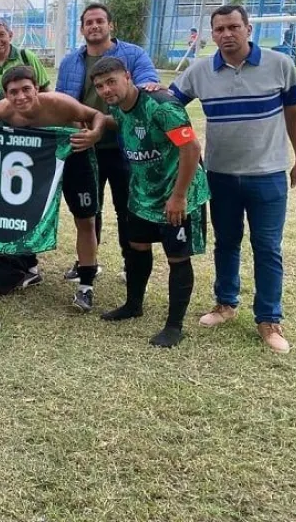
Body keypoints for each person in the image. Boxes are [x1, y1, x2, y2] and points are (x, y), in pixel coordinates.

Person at [171, 4, 296, 354]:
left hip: (269, 175)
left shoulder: (279, 65)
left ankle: (269, 320)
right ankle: (226, 304)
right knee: (226, 243)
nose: (227, 34)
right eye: (220, 29)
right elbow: (169, 105)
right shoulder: (201, 71)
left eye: (233, 27)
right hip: (222, 175)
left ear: (248, 29)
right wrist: (187, 144)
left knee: (267, 248)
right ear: (212, 34)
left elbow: (294, 113)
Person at [90, 57, 210, 348]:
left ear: (128, 77)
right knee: (137, 247)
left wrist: (179, 196)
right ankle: (133, 304)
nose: (106, 90)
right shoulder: (118, 107)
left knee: (177, 257)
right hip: (143, 194)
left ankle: (174, 326)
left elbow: (191, 147)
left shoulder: (162, 105)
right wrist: (92, 125)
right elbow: (114, 121)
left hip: (177, 195)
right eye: (100, 86)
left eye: (111, 82)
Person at [0, 66, 107, 310]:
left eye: (26, 89)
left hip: (74, 156)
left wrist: (94, 134)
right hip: (38, 162)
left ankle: (86, 286)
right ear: (5, 94)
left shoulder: (59, 103)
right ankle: (26, 266)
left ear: (37, 89)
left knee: (85, 220)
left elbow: (97, 115)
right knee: (22, 211)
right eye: (13, 92)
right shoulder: (6, 108)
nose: (20, 97)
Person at [56, 3, 159, 282]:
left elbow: (148, 87)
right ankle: (88, 263)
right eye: (89, 22)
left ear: (110, 25)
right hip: (85, 146)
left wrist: (149, 86)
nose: (94, 26)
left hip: (126, 146)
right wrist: (79, 127)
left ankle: (130, 262)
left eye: (100, 21)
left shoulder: (133, 55)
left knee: (128, 206)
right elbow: (63, 103)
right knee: (88, 209)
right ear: (82, 28)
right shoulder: (70, 62)